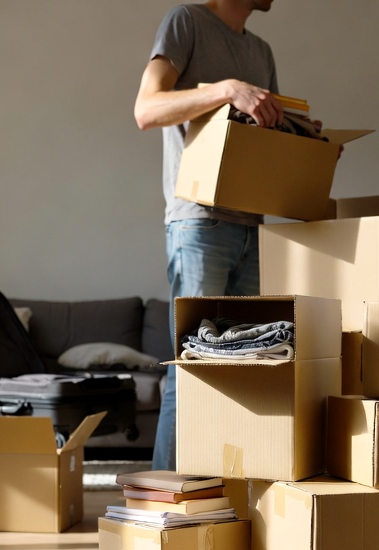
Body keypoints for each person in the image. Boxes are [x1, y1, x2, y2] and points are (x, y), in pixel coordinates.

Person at [134, 0, 285, 471]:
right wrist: (226, 90)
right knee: (193, 370)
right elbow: (146, 109)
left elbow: (265, 137)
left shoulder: (262, 51)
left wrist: (307, 142)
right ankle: (163, 509)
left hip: (252, 227)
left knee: (246, 370)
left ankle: (222, 503)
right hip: (198, 223)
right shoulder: (186, 22)